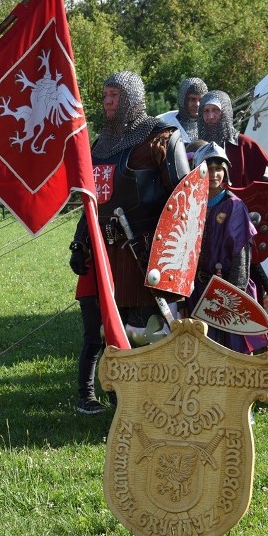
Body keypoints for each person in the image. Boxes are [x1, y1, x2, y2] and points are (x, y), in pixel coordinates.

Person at [69, 71, 189, 414]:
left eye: (114, 95)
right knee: (111, 329)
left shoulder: (161, 140)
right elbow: (94, 202)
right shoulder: (101, 146)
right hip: (105, 253)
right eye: (105, 95)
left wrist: (169, 258)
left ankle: (159, 400)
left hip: (144, 255)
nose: (107, 101)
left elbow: (182, 205)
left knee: (148, 328)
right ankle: (120, 398)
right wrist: (80, 241)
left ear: (133, 99)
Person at [186, 142, 268, 354]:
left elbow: (241, 254)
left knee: (232, 351)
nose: (214, 174)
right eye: (209, 168)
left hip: (227, 287)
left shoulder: (234, 205)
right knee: (202, 349)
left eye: (219, 168)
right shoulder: (191, 203)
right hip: (198, 288)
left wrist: (234, 295)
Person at [197, 90, 268, 186]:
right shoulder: (197, 148)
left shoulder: (246, 145)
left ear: (225, 113)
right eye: (206, 111)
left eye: (216, 110)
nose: (210, 116)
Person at [157, 77, 208, 143]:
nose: (197, 104)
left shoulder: (211, 124)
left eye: (201, 100)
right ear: (183, 100)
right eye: (192, 99)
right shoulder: (163, 121)